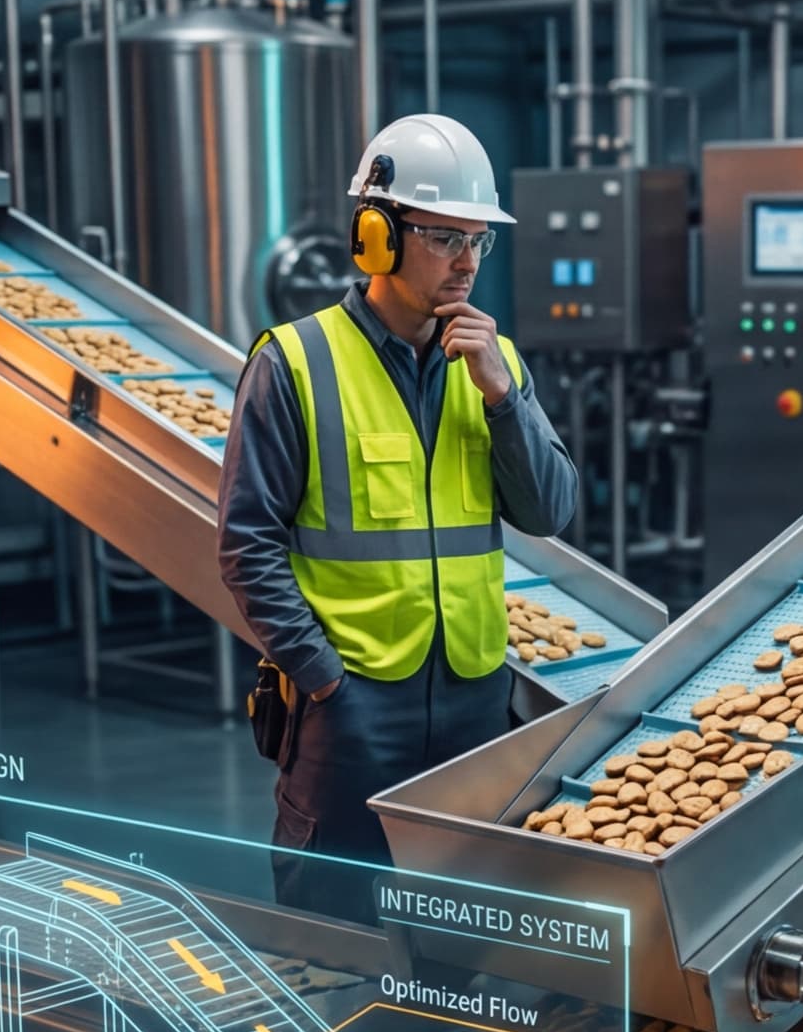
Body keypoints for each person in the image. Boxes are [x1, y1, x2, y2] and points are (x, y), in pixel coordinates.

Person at [218, 113, 577, 915]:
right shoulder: (296, 363)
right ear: (377, 236)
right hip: (352, 711)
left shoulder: (495, 362)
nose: (469, 262)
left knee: (459, 929)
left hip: (474, 702)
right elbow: (247, 547)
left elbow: (551, 510)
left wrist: (503, 400)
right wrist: (323, 679)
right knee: (335, 929)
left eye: (480, 241)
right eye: (447, 238)